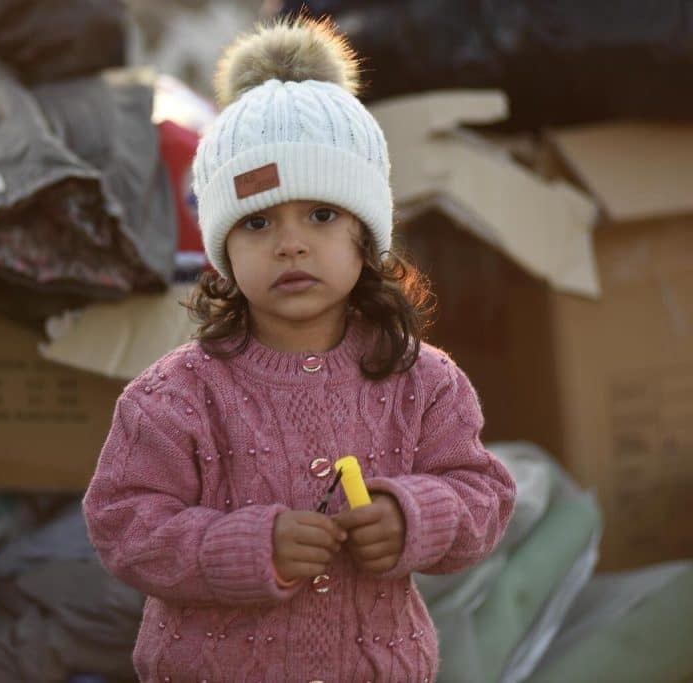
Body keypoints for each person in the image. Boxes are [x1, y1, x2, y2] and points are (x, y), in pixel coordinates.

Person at [83, 16, 516, 683]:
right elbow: (123, 525)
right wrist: (248, 546)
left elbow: (484, 495)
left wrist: (412, 517)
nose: (290, 244)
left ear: (365, 233)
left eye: (321, 215)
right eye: (258, 221)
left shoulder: (424, 382)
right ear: (223, 247)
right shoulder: (172, 398)